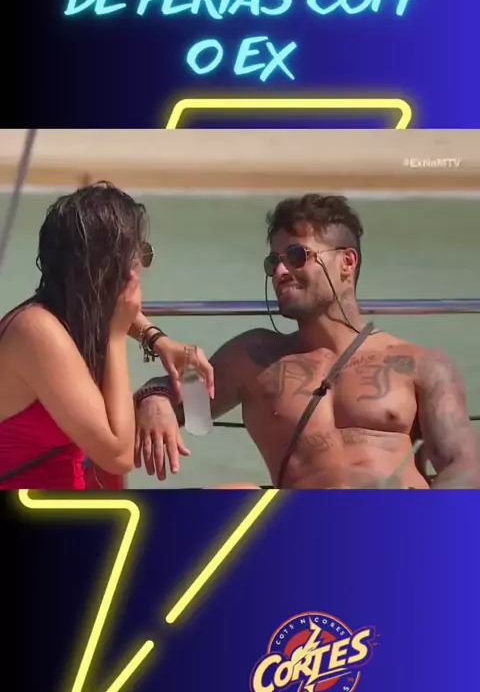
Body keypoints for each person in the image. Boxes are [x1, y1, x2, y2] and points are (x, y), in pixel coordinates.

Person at [134, 193, 480, 489]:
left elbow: (463, 466)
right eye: (273, 262)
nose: (280, 272)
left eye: (297, 256)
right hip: (304, 529)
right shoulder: (255, 359)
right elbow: (184, 399)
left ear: (347, 263)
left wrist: (424, 524)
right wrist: (155, 397)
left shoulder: (419, 364)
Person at [0, 182, 213, 489]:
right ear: (110, 267)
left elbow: (116, 310)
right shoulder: (36, 333)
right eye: (140, 254)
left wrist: (157, 340)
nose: (141, 269)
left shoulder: (66, 311)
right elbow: (118, 455)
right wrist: (115, 337)